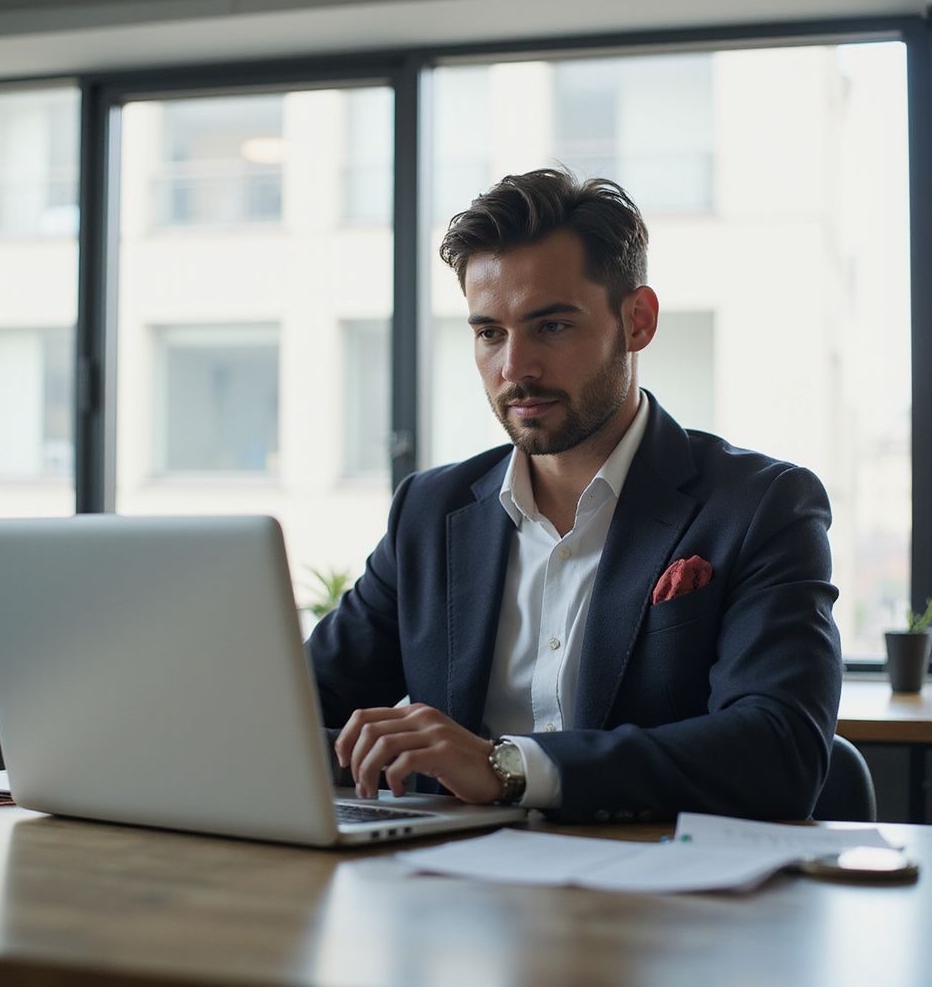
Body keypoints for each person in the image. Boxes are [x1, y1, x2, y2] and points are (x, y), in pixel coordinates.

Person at [308, 168, 841, 824]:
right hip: (445, 892)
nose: (514, 368)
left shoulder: (761, 505)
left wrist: (508, 767)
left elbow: (780, 753)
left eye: (551, 326)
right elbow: (302, 706)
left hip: (657, 901)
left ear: (637, 321)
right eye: (489, 333)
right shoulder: (430, 510)